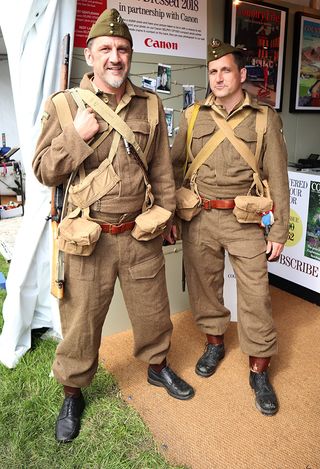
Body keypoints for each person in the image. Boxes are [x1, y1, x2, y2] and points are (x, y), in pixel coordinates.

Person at [32, 8, 194, 443]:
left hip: (139, 234)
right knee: (82, 324)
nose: (115, 57)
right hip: (88, 240)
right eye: (106, 49)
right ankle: (73, 392)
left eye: (122, 49)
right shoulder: (66, 106)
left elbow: (161, 168)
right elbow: (43, 170)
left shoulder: (150, 104)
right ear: (90, 56)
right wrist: (77, 136)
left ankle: (158, 368)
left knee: (154, 313)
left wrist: (168, 216)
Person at [171, 39, 289, 416]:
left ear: (241, 75)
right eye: (212, 71)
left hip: (245, 221)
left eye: (225, 70)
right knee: (205, 286)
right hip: (200, 217)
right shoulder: (192, 117)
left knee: (256, 294)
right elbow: (172, 169)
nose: (218, 77)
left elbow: (278, 177)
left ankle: (259, 368)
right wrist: (171, 216)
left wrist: (279, 230)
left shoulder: (264, 118)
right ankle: (215, 342)